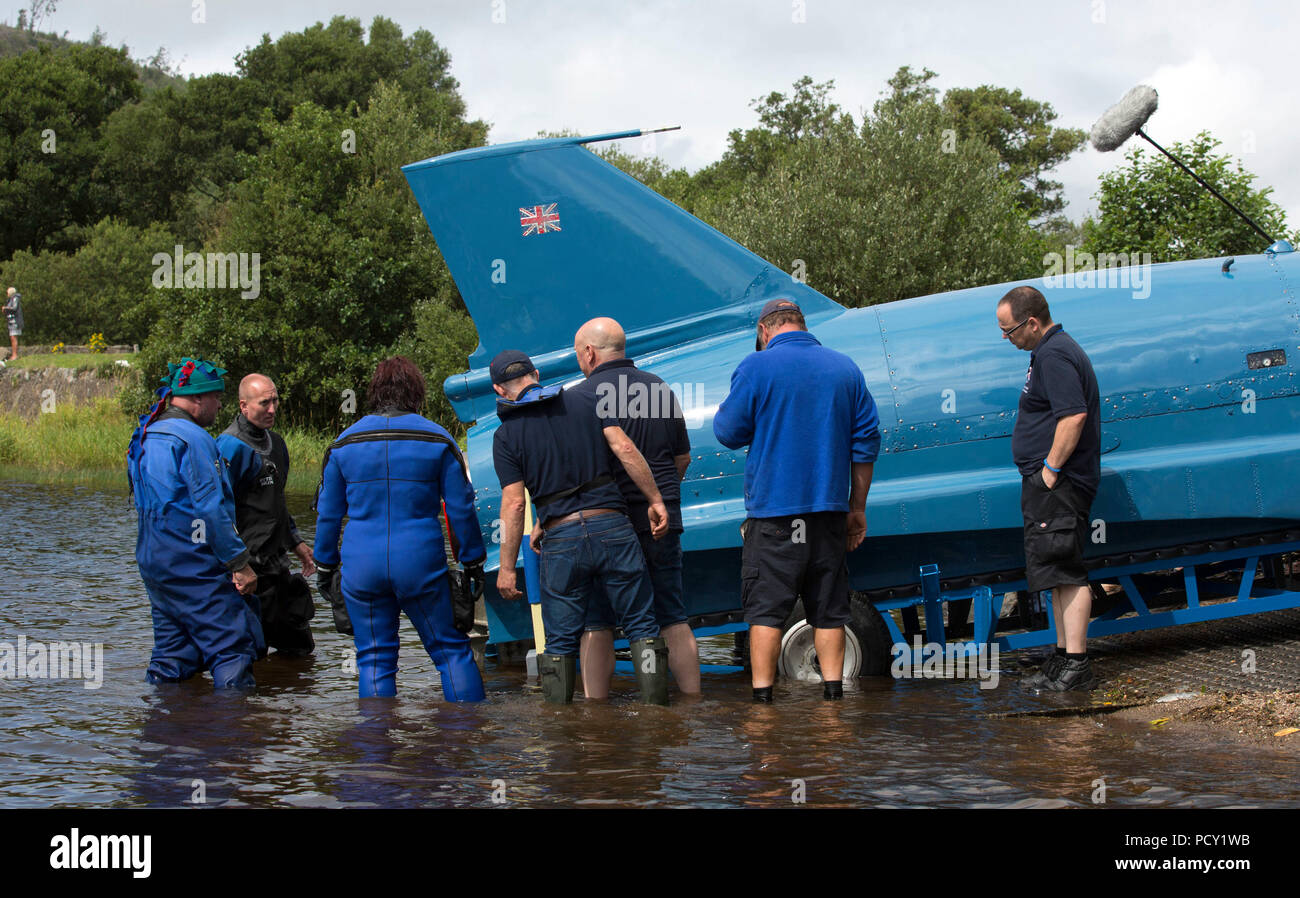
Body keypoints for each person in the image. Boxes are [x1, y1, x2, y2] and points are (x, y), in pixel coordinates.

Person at [713, 298, 880, 702]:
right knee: (829, 610)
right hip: (828, 514)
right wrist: (856, 509)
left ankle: (763, 703)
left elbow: (727, 431)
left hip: (774, 517)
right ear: (803, 325)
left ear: (763, 331)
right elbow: (866, 444)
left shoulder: (755, 367)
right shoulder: (845, 368)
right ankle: (834, 700)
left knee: (766, 611)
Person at [489, 348, 671, 705]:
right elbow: (625, 449)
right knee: (642, 626)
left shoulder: (506, 436)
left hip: (562, 539)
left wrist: (507, 567)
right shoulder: (588, 400)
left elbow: (513, 503)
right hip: (613, 528)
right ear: (536, 374)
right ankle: (659, 718)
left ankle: (562, 733)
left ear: (499, 390)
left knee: (559, 641)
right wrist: (656, 499)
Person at [312, 357, 486, 700]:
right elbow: (461, 510)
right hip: (419, 560)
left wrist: (325, 567)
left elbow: (328, 517)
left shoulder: (343, 444)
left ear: (374, 393)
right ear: (416, 393)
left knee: (374, 659)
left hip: (362, 564)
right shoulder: (438, 440)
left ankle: (376, 749)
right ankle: (466, 742)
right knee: (451, 650)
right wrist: (473, 563)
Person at [571, 317, 700, 698]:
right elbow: (683, 458)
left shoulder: (582, 396)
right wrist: (659, 496)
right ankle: (692, 700)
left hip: (609, 522)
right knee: (672, 615)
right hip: (663, 516)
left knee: (597, 622)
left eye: (579, 354)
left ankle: (597, 713)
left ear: (590, 353)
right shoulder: (659, 388)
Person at [126, 357, 262, 689]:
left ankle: (164, 730)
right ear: (198, 398)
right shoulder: (194, 439)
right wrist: (239, 562)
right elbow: (210, 510)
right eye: (216, 397)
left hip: (153, 561)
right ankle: (232, 732)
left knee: (173, 654)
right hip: (192, 562)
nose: (219, 405)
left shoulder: (147, 433)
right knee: (231, 648)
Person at [997, 285, 1101, 691]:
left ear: (1033, 322)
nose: (1006, 338)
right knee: (1054, 573)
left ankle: (1076, 663)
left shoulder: (1055, 354)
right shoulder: (1049, 352)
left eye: (1009, 330)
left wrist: (1050, 471)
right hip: (1050, 485)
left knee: (1067, 571)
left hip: (1059, 484)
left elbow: (1073, 416)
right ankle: (1061, 658)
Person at [216, 374, 317, 658]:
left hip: (276, 563)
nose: (272, 409)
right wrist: (236, 564)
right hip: (246, 567)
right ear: (243, 406)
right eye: (264, 403)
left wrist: (296, 541)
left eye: (275, 401)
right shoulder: (228, 446)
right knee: (249, 653)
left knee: (299, 649)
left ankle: (287, 701)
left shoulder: (277, 443)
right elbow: (217, 510)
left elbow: (277, 501)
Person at [5, 287, 22, 361]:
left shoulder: (15, 298)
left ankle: (15, 355)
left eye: (7, 292)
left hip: (15, 322)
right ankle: (13, 354)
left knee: (13, 338)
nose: (7, 294)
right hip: (11, 322)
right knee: (12, 338)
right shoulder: (10, 299)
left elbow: (14, 308)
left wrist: (6, 308)